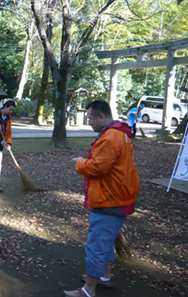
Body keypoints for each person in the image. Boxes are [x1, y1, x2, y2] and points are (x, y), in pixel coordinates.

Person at [64, 100, 140, 297]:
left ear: (101, 116)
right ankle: (104, 276)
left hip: (109, 198)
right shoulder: (120, 134)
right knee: (105, 241)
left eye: (90, 117)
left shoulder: (110, 137)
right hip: (117, 196)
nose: (88, 121)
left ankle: (88, 290)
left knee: (96, 245)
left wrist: (80, 163)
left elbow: (98, 168)